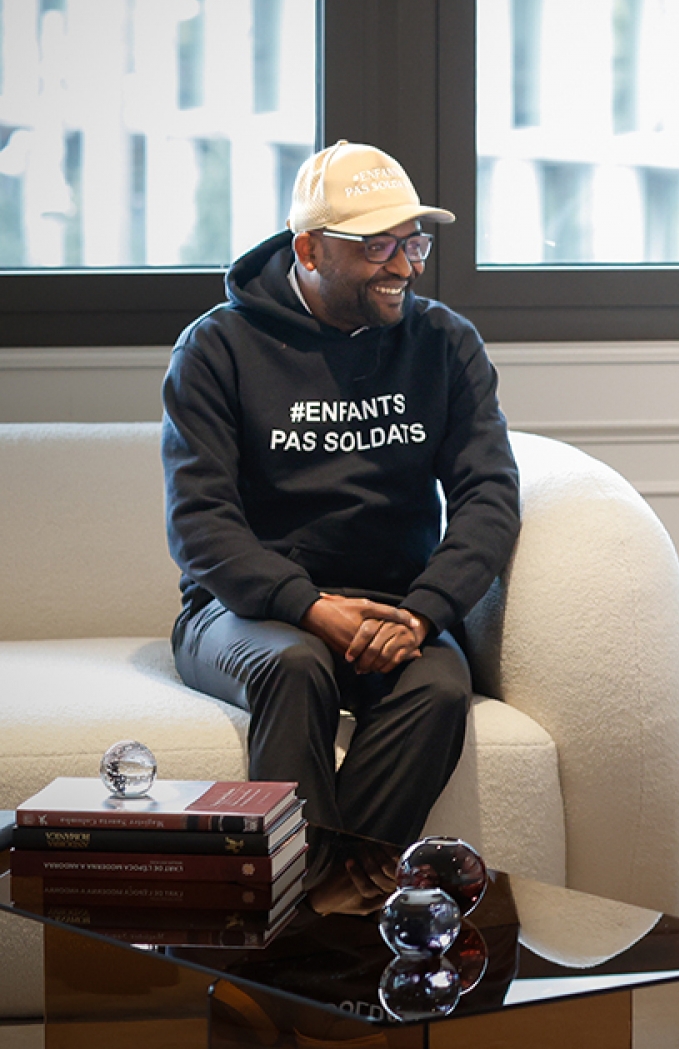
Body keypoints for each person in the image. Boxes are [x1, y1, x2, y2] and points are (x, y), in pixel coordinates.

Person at [162, 139, 519, 848]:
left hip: (395, 607)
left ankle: (319, 895)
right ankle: (320, 900)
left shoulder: (444, 342)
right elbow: (200, 524)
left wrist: (424, 611)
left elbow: (489, 495)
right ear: (309, 249)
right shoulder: (216, 349)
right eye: (377, 247)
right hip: (247, 611)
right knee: (296, 666)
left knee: (440, 689)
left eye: (413, 243)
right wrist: (309, 607)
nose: (404, 267)